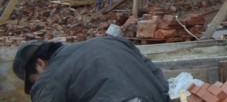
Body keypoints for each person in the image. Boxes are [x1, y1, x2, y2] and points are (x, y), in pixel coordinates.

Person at [12, 35, 170, 101]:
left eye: (34, 81)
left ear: (40, 64)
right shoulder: (112, 41)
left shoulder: (50, 76)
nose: (36, 85)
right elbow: (156, 74)